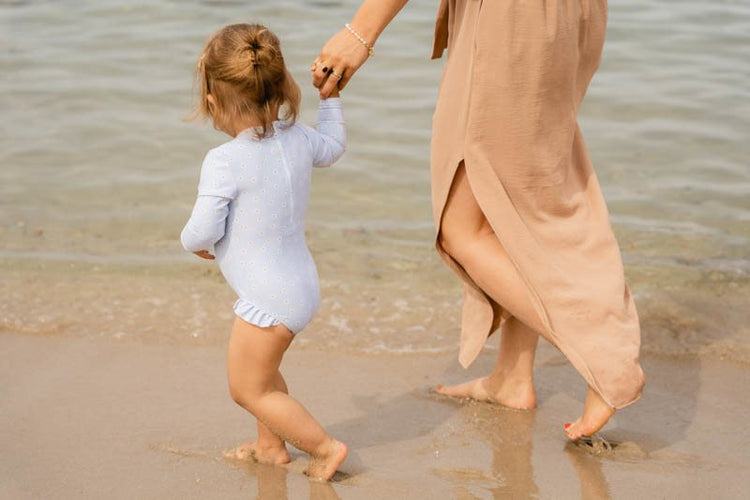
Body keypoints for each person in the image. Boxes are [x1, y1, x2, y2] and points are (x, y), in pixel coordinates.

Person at [312, 0, 644, 440]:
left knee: (460, 229)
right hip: (570, 14)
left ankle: (605, 358)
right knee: (517, 206)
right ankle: (512, 376)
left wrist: (359, 32)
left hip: (512, 18)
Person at [181, 23, 348, 480]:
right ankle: (271, 447)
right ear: (279, 86)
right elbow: (334, 147)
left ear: (213, 101)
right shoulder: (298, 139)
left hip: (268, 300)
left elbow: (200, 230)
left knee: (246, 388)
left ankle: (324, 447)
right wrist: (330, 99)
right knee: (265, 376)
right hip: (301, 285)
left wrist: (196, 245)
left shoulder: (223, 161)